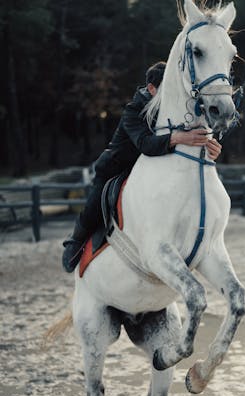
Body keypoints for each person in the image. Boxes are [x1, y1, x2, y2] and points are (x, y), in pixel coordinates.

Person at [62, 61, 222, 272]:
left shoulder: (174, 108)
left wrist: (211, 148)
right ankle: (75, 241)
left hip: (152, 169)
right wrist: (182, 137)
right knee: (94, 207)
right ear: (151, 88)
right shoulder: (134, 110)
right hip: (117, 168)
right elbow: (145, 144)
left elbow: (191, 139)